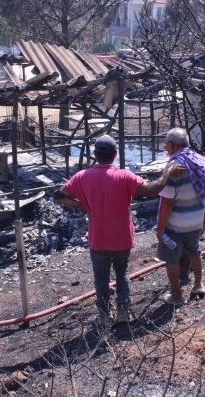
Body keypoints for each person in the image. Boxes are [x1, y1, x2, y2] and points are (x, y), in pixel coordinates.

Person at [55, 134, 183, 326]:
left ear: (95, 154)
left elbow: (58, 195)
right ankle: (123, 312)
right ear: (115, 154)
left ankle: (104, 317)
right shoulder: (125, 176)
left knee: (101, 278)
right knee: (122, 273)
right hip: (122, 237)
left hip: (98, 238)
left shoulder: (82, 176)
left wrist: (86, 206)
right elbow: (152, 190)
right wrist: (169, 171)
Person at [156, 128, 205, 305]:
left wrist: (160, 227)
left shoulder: (175, 167)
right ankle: (198, 284)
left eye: (166, 145)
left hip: (176, 224)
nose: (166, 148)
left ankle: (177, 296)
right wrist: (204, 215)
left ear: (172, 145)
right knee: (195, 250)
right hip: (196, 220)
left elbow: (167, 203)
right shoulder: (201, 161)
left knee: (171, 258)